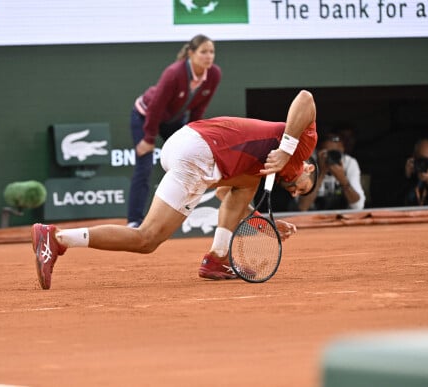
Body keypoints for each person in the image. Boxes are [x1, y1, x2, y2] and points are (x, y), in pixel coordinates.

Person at [32, 90, 318, 289]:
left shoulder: (258, 169)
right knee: (147, 239)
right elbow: (305, 98)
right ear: (309, 169)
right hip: (200, 153)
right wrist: (286, 149)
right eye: (302, 189)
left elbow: (227, 197)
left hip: (185, 144)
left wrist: (262, 224)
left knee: (244, 186)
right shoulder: (300, 149)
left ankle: (216, 258)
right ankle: (57, 238)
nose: (295, 193)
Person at [127, 34, 222, 228]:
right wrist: (149, 138)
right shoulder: (174, 73)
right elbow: (156, 107)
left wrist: (196, 139)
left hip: (173, 121)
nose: (208, 56)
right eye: (203, 52)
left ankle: (175, 217)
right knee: (144, 167)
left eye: (211, 52)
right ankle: (134, 221)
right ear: (191, 53)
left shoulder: (213, 74)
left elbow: (198, 110)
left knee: (191, 160)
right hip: (146, 116)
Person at [297, 133, 365, 211]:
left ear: (343, 151)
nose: (332, 157)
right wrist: (321, 173)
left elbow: (358, 206)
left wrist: (343, 179)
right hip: (311, 218)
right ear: (317, 151)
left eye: (336, 153)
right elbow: (302, 207)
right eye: (328, 153)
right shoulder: (308, 163)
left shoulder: (349, 163)